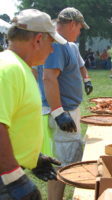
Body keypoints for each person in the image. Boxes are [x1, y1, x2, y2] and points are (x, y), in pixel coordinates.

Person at [0, 9, 66, 199]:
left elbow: (14, 121)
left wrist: (31, 158)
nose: (52, 49)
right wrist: (14, 178)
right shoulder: (9, 69)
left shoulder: (18, 67)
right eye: (51, 43)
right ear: (38, 40)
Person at [36, 7, 92, 200]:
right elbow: (49, 78)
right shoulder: (57, 45)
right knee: (62, 163)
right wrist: (59, 113)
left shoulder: (70, 45)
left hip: (68, 109)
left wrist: (87, 80)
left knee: (69, 158)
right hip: (62, 111)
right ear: (72, 24)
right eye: (79, 28)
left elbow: (81, 65)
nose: (80, 32)